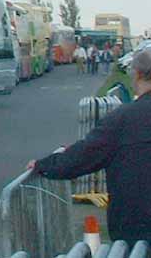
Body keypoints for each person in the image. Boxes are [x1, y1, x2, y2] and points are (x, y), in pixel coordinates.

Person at [27, 48, 151, 243]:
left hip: (137, 228)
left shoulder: (123, 119)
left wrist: (44, 165)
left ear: (137, 75)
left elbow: (83, 156)